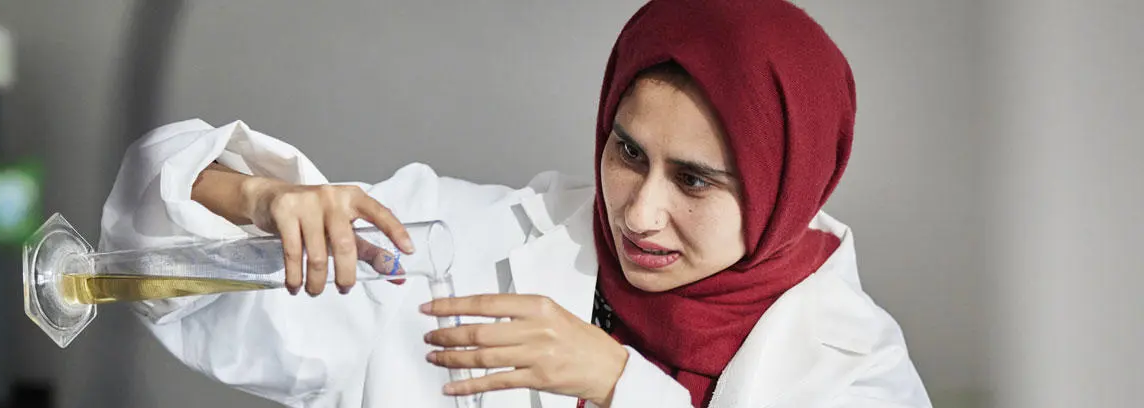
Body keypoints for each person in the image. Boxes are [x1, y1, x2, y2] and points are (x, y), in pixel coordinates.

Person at [100, 0, 931, 407]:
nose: (638, 214)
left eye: (696, 180)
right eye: (627, 152)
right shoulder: (461, 245)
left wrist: (621, 385)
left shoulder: (851, 364)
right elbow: (145, 283)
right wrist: (251, 196)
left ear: (790, 188)